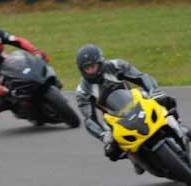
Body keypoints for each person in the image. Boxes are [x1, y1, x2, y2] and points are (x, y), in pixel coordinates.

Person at [75, 44, 189, 173]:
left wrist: (153, 91)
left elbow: (141, 77)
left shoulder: (116, 65)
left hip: (136, 101)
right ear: (81, 70)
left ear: (100, 62)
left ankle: (178, 126)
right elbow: (89, 119)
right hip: (114, 118)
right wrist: (103, 135)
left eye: (93, 66)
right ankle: (135, 158)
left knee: (165, 100)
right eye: (87, 68)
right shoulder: (82, 91)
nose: (91, 70)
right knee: (113, 150)